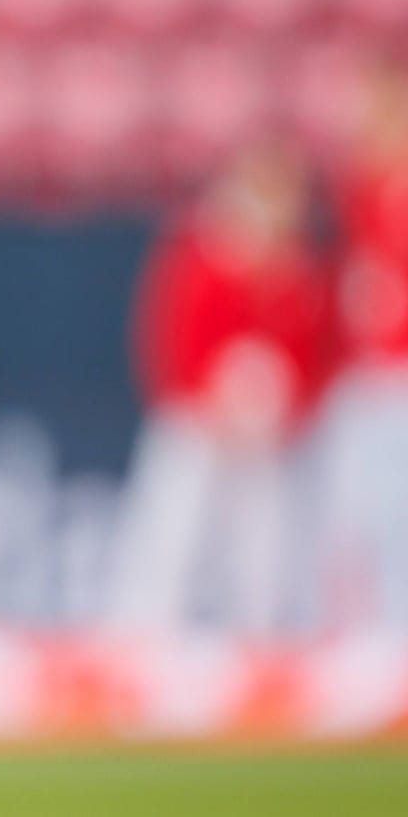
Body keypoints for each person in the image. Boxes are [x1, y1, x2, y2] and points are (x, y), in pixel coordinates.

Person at [106, 143, 331, 637]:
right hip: (196, 425)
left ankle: (264, 641)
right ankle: (143, 638)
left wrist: (283, 410)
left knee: (266, 546)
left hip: (268, 438)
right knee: (171, 533)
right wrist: (206, 401)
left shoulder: (299, 273)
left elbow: (315, 359)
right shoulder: (202, 255)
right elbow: (170, 340)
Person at [319, 57, 408, 636]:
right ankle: (353, 630)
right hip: (360, 372)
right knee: (349, 510)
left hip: (400, 372)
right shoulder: (357, 187)